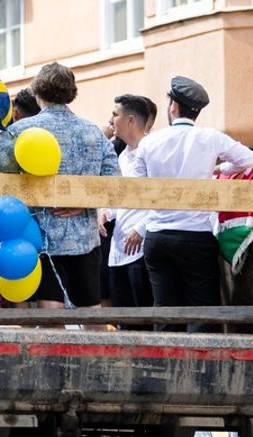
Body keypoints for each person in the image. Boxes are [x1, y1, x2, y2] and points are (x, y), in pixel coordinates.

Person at [0, 63, 120, 309]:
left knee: (51, 314)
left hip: (44, 239)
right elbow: (114, 181)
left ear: (38, 93)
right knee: (91, 311)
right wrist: (83, 204)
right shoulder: (94, 131)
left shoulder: (26, 129)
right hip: (86, 240)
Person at [132, 77, 253, 331]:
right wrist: (219, 167)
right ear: (196, 111)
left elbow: (136, 187)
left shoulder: (149, 142)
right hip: (196, 237)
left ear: (173, 107)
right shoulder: (210, 138)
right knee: (202, 309)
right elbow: (250, 160)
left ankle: (166, 364)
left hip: (158, 236)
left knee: (165, 310)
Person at [101, 94, 157, 314]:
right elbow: (118, 198)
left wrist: (141, 229)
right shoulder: (121, 156)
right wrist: (105, 212)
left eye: (115, 115)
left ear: (131, 120)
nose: (111, 120)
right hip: (118, 249)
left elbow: (164, 198)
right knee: (123, 317)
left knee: (144, 315)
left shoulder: (153, 150)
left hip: (141, 248)